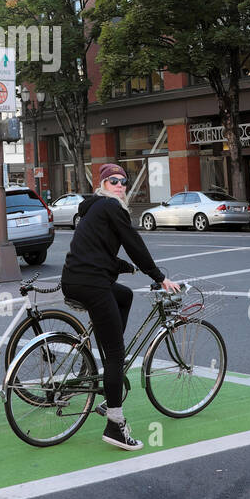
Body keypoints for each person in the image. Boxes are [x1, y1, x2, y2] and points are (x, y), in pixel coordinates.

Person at [62, 163, 180, 451]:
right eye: (113, 180)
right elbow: (133, 242)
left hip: (76, 279)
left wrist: (124, 267)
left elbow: (96, 251)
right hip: (92, 283)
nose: (120, 185)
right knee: (116, 355)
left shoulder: (95, 209)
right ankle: (115, 424)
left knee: (124, 296)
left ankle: (108, 349)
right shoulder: (111, 207)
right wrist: (159, 277)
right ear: (102, 184)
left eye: (124, 181)